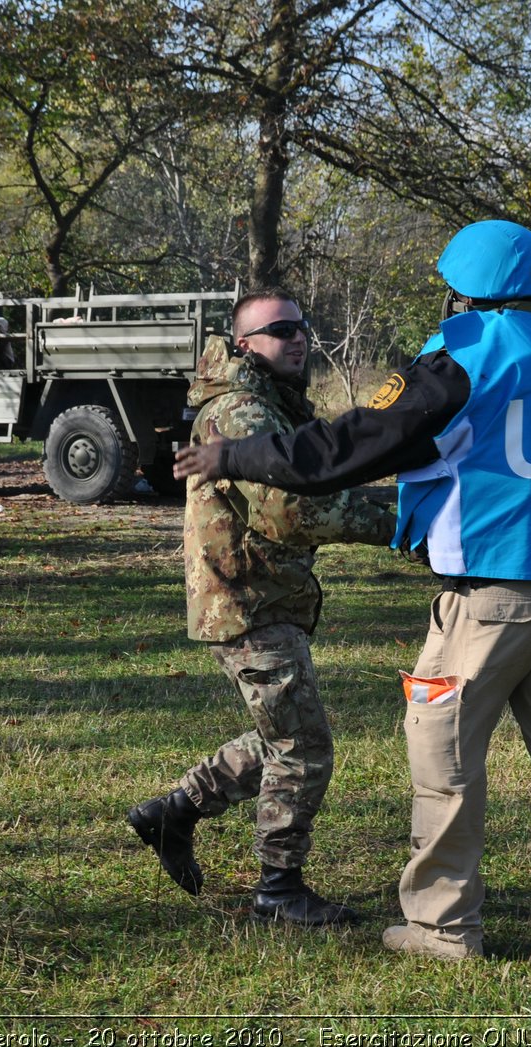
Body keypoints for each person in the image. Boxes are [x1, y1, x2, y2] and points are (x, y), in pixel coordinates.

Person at [173, 221, 531, 971]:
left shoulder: (464, 356)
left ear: (465, 288)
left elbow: (349, 446)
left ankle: (441, 926)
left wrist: (231, 453)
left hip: (492, 593)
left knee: (445, 758)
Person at [128, 288, 396, 927]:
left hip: (260, 593)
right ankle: (279, 890)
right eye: (279, 331)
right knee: (303, 745)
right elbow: (290, 509)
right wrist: (401, 525)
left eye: (301, 328)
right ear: (245, 345)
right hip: (247, 596)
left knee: (285, 733)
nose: (297, 338)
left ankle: (174, 811)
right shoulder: (243, 412)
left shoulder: (272, 404)